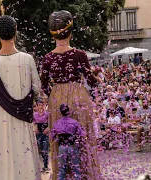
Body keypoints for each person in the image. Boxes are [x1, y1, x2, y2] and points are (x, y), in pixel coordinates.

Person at [41, 10, 101, 180]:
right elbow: (91, 80)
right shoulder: (80, 55)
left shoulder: (47, 58)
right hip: (78, 96)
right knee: (83, 139)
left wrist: (55, 95)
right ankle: (85, 175)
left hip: (56, 97)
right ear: (71, 32)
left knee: (60, 140)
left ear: (53, 35)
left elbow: (44, 85)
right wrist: (97, 77)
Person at [0, 15, 41, 180]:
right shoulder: (27, 59)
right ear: (16, 31)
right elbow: (37, 88)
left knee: (3, 159)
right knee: (25, 158)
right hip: (22, 120)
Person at [50, 104, 86, 180]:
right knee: (76, 168)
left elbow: (51, 136)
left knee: (62, 170)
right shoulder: (74, 122)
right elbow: (82, 134)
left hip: (62, 147)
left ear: (61, 112)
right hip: (72, 146)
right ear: (68, 111)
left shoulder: (57, 123)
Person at [33, 101, 50, 172]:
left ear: (44, 106)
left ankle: (46, 165)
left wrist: (48, 128)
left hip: (45, 133)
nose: (41, 107)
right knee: (39, 148)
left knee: (45, 150)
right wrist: (35, 127)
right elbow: (33, 122)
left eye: (42, 105)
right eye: (39, 105)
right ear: (37, 106)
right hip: (38, 133)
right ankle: (38, 166)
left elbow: (50, 122)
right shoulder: (35, 114)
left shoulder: (47, 114)